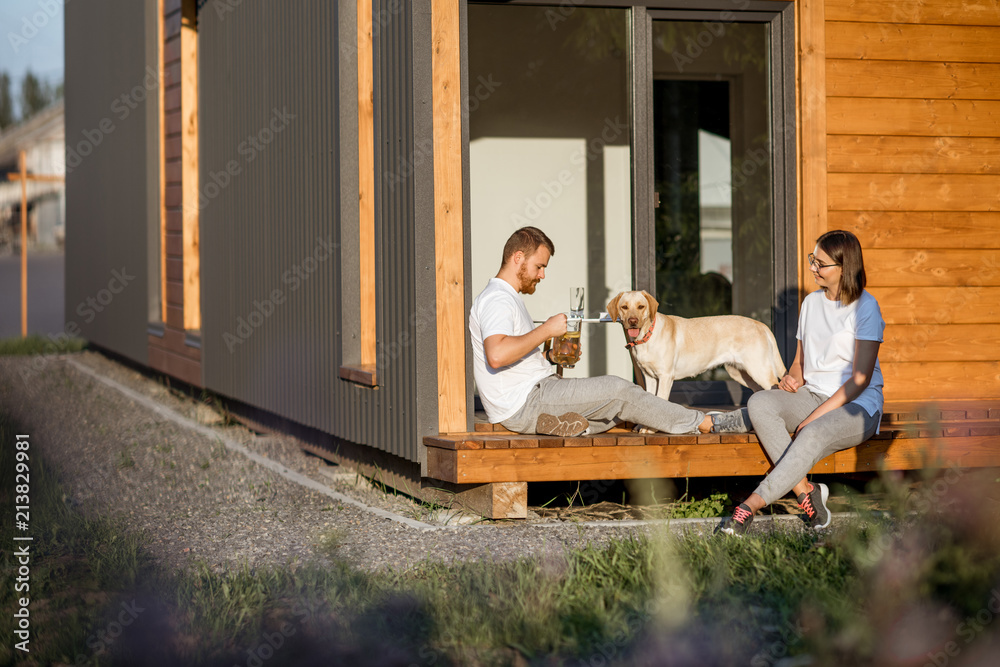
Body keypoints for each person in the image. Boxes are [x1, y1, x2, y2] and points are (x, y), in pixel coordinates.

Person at [469, 226, 746, 437]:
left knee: (619, 410)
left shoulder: (507, 297)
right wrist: (546, 329)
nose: (542, 275)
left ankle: (565, 425)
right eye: (539, 266)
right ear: (518, 257)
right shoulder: (498, 299)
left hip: (533, 396)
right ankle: (707, 423)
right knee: (619, 390)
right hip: (528, 401)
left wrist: (550, 356)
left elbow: (510, 354)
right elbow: (497, 354)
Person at [717, 229, 885, 535]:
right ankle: (806, 491)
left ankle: (750, 506)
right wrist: (791, 380)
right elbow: (800, 364)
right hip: (814, 395)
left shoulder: (866, 308)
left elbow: (859, 381)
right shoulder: (811, 304)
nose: (812, 268)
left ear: (844, 268)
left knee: (812, 433)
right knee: (760, 402)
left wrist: (812, 418)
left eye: (820, 263)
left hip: (858, 406)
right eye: (813, 260)